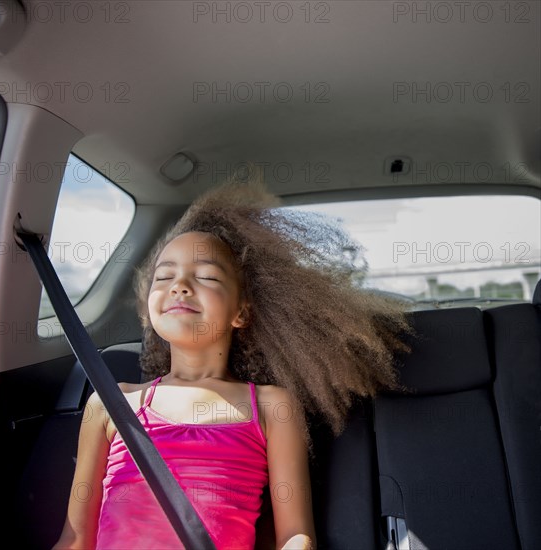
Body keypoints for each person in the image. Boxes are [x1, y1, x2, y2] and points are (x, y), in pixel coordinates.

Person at [52, 166, 412, 549]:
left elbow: (295, 535)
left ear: (241, 311)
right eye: (164, 276)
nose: (180, 286)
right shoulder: (109, 404)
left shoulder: (272, 406)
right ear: (147, 309)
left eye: (205, 276)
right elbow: (74, 539)